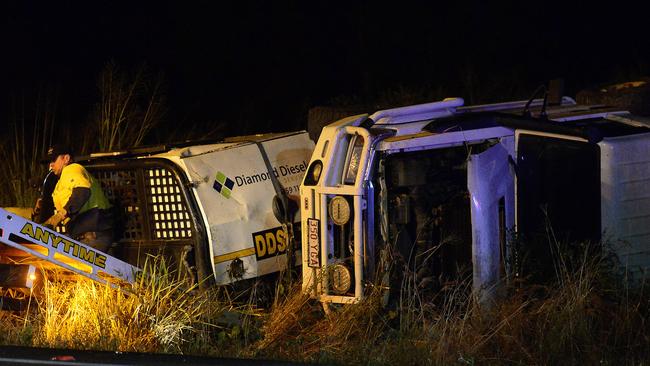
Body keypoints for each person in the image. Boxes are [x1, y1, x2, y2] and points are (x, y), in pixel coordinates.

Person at [43, 145, 114, 252]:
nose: (51, 165)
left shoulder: (71, 169)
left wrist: (60, 214)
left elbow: (82, 191)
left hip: (92, 236)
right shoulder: (61, 182)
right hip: (89, 236)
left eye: (54, 160)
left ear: (66, 158)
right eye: (49, 162)